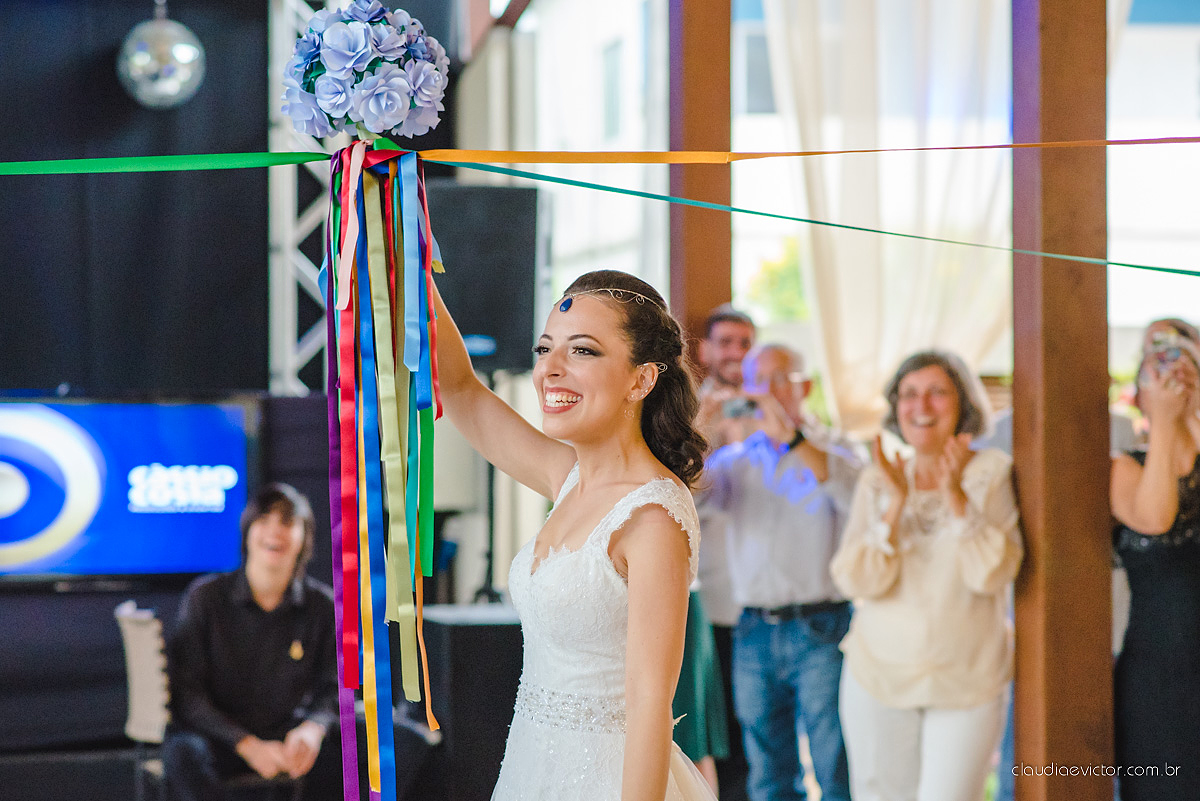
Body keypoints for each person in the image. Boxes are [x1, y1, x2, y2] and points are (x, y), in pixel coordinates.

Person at [433, 269, 716, 801]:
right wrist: (404, 244)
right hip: (535, 764)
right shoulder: (569, 480)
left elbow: (650, 703)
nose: (550, 370)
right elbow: (460, 388)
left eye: (582, 352)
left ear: (641, 380)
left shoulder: (651, 516)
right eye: (545, 349)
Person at [830, 350, 1021, 801]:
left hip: (967, 679)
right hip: (876, 674)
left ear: (963, 404)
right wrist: (895, 507)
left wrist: (956, 496)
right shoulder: (879, 480)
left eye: (938, 392)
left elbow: (991, 574)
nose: (922, 406)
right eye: (910, 394)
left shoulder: (992, 472)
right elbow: (857, 580)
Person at [698, 343, 857, 801]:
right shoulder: (737, 460)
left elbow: (857, 498)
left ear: (805, 386)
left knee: (833, 760)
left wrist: (792, 440)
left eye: (777, 379)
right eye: (756, 381)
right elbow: (688, 494)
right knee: (766, 770)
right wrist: (703, 427)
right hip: (753, 630)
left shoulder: (837, 449)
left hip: (822, 626)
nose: (765, 392)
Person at [164, 483, 339, 801]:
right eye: (264, 521)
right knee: (184, 753)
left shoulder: (322, 607)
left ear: (304, 538)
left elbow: (335, 688)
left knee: (365, 744)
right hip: (221, 738)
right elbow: (187, 695)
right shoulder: (206, 598)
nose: (275, 532)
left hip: (289, 737)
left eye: (287, 522)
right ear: (247, 532)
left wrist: (313, 728)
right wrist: (246, 744)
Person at [1110, 322, 1200, 801]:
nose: (1171, 372)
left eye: (1181, 361)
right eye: (1155, 365)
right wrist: (1165, 424)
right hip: (1158, 678)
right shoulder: (1124, 465)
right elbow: (1155, 517)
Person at [683, 304, 757, 799]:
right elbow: (679, 485)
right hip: (708, 595)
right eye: (726, 342)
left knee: (760, 737)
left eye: (745, 343)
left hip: (760, 596)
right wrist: (706, 428)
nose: (735, 353)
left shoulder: (773, 412)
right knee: (716, 732)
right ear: (706, 350)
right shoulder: (685, 411)